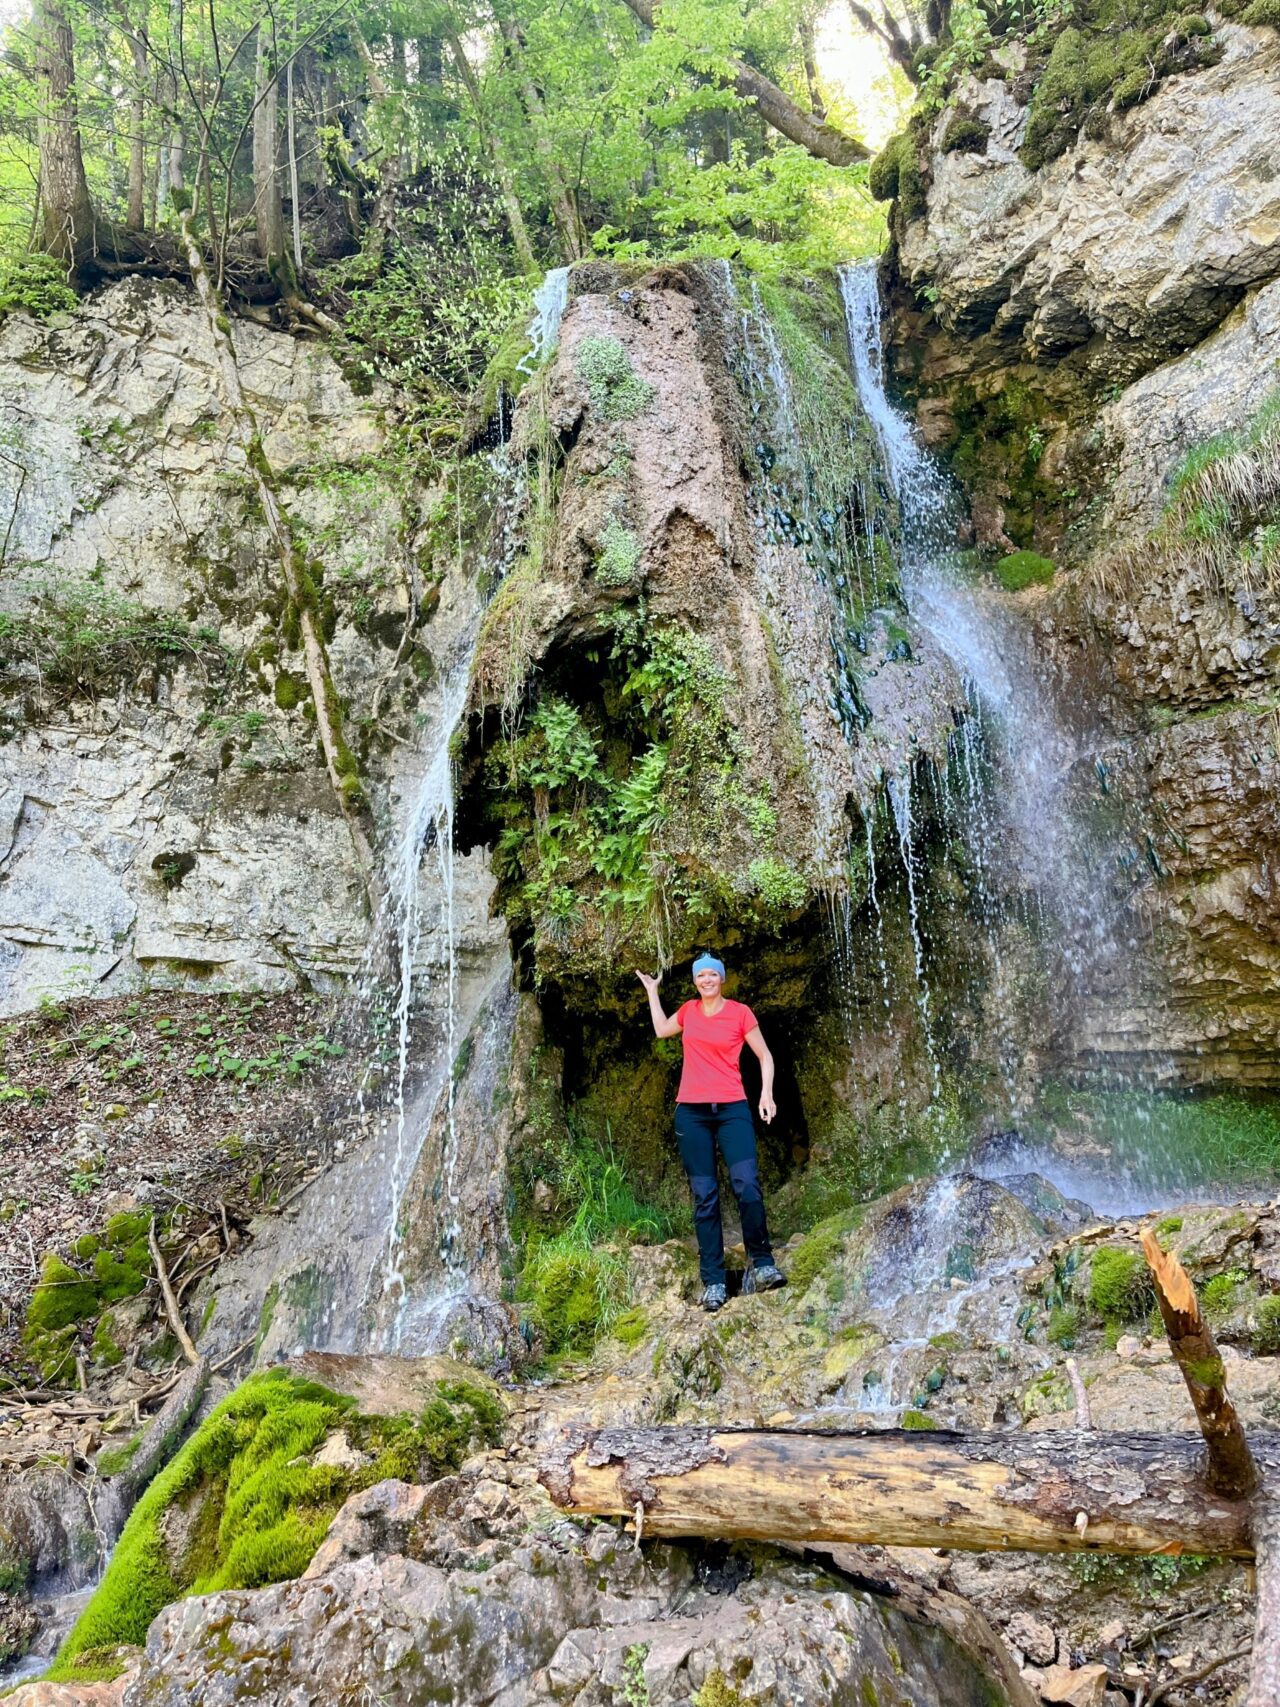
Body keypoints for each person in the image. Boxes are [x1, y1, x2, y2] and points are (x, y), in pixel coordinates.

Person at [636, 954, 786, 1312]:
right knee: (705, 1196)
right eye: (700, 975)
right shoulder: (688, 1011)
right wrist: (653, 993)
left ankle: (763, 1264)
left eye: (711, 974)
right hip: (692, 1113)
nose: (706, 980)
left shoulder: (740, 1013)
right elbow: (660, 1030)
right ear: (695, 981)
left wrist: (766, 1093)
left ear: (721, 978)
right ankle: (714, 1282)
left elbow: (765, 1056)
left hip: (733, 1107)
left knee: (746, 1184)